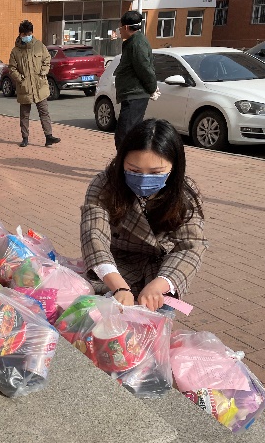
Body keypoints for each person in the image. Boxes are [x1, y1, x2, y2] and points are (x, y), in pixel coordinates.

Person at [80, 119, 207, 311]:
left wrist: (159, 285)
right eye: (133, 170)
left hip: (162, 271)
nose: (143, 178)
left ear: (174, 167)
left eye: (156, 172)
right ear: (122, 161)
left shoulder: (184, 193)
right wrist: (119, 287)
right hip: (114, 267)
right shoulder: (105, 184)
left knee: (156, 323)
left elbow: (191, 245)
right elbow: (94, 235)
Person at [8, 20, 61, 148]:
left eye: (29, 34)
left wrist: (43, 72)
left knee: (44, 112)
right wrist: (20, 79)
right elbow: (12, 68)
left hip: (39, 86)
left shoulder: (39, 46)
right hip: (25, 87)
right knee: (24, 115)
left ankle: (49, 137)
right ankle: (25, 138)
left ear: (32, 33)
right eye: (24, 34)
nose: (27, 36)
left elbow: (47, 59)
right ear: (20, 34)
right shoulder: (15, 51)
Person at [113, 11, 160, 150]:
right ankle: (128, 161)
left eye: (120, 27)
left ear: (126, 27)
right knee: (130, 134)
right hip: (131, 94)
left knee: (124, 135)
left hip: (135, 94)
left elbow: (144, 68)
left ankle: (126, 162)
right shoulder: (133, 42)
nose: (119, 31)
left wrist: (152, 88)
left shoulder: (137, 44)